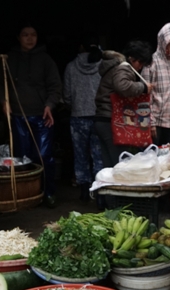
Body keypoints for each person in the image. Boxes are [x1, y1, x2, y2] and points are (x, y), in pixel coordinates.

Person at [3, 25, 62, 207]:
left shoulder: (45, 60)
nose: (30, 38)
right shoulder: (10, 59)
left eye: (33, 35)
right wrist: (4, 102)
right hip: (19, 115)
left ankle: (48, 193)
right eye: (25, 35)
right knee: (22, 158)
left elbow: (55, 86)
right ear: (18, 37)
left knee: (44, 156)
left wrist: (50, 105)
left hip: (41, 116)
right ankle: (25, 195)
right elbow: (1, 83)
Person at [92, 40, 153, 169]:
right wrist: (143, 87)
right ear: (132, 58)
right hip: (112, 121)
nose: (140, 67)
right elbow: (123, 86)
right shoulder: (124, 67)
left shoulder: (114, 66)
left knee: (109, 167)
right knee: (120, 167)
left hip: (102, 119)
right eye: (140, 62)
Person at [63, 35, 104, 202]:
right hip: (99, 117)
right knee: (99, 157)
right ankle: (101, 197)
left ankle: (84, 193)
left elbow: (66, 95)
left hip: (78, 117)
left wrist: (73, 104)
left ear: (80, 47)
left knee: (80, 156)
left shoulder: (71, 67)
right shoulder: (102, 66)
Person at [143, 23, 170, 146]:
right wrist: (150, 122)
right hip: (156, 122)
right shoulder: (151, 62)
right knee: (155, 156)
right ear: (163, 42)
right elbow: (147, 96)